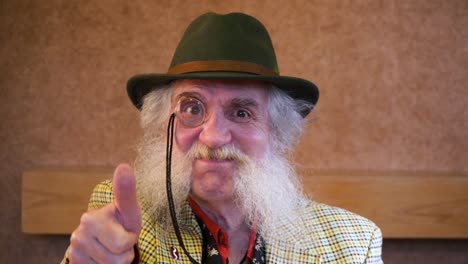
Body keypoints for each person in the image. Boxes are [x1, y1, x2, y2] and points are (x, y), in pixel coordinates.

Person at [63, 12, 382, 264]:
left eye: (242, 113)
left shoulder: (353, 245)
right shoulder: (116, 220)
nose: (214, 137)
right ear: (164, 125)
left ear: (275, 132)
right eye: (191, 108)